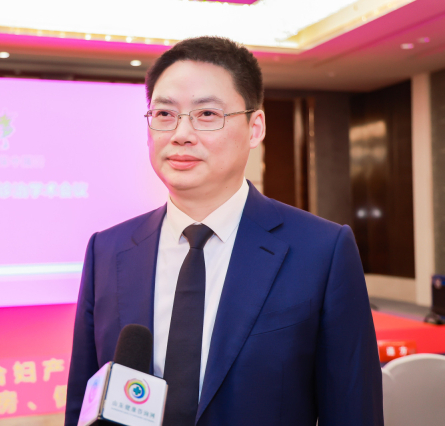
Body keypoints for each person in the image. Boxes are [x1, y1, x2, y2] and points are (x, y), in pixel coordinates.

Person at [65, 36, 383, 426]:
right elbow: (83, 400)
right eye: (164, 114)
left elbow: (353, 409)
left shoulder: (321, 251)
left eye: (207, 114)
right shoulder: (108, 249)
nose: (181, 133)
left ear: (255, 128)